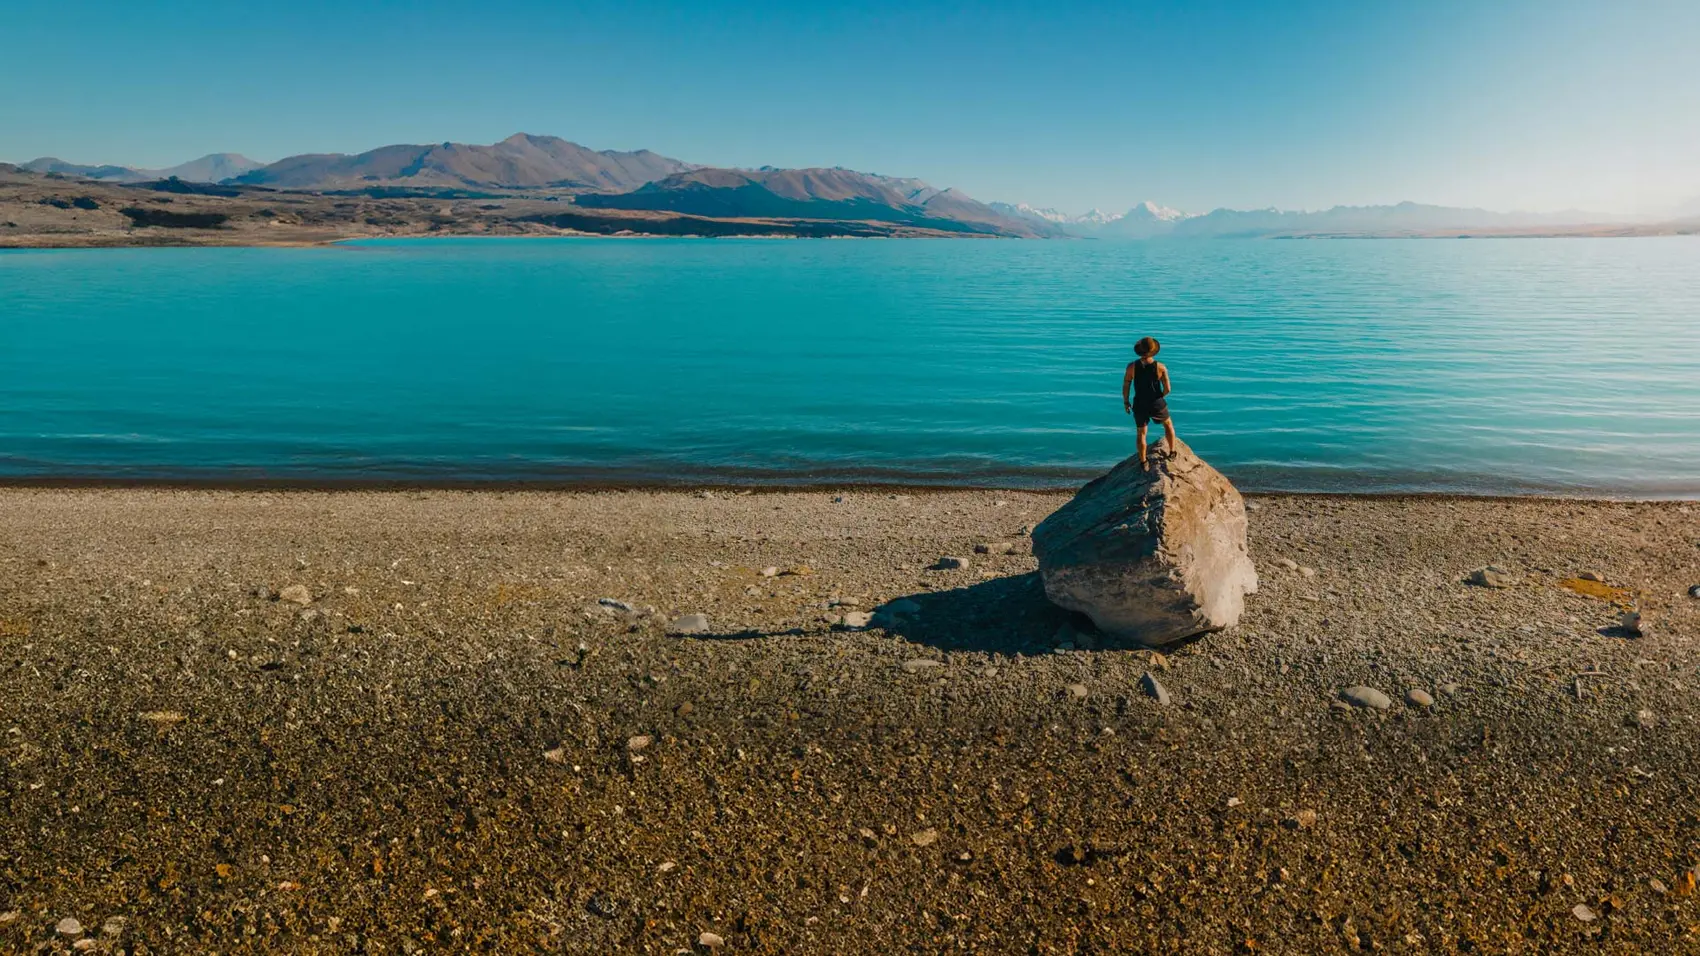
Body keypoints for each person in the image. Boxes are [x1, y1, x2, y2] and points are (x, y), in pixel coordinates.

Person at [1122, 336, 1177, 469]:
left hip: (1139, 403)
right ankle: (1172, 452)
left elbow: (1126, 386)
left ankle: (1143, 461)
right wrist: (1159, 396)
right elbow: (1168, 389)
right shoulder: (1161, 367)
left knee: (1141, 433)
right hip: (1156, 402)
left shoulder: (1131, 367)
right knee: (1168, 425)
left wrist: (1126, 402)